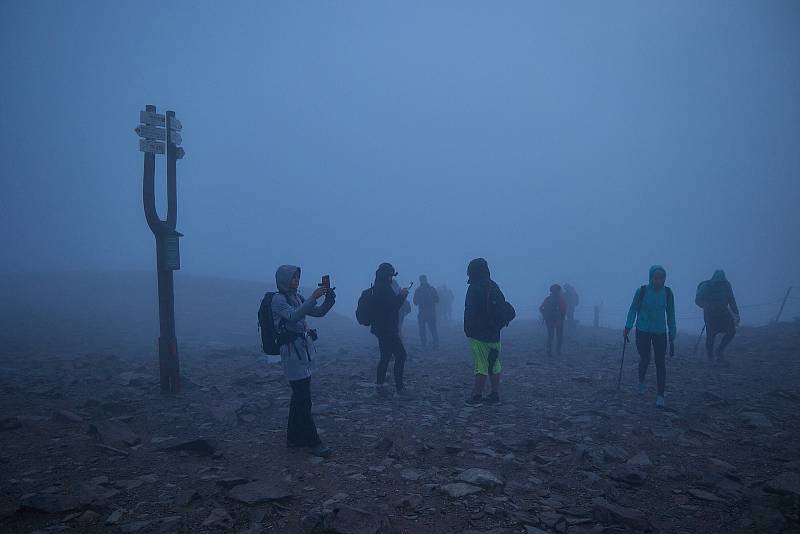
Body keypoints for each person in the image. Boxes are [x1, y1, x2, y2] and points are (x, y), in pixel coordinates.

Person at [271, 265, 336, 457]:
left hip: (302, 351)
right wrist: (313, 297)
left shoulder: (296, 297)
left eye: (297, 277)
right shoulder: (278, 299)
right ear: (283, 280)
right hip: (291, 352)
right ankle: (313, 441)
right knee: (303, 399)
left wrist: (329, 299)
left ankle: (293, 438)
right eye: (293, 278)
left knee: (298, 396)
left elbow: (317, 313)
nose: (296, 281)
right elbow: (293, 316)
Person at [464, 258, 515, 407]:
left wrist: (468, 329)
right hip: (495, 332)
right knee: (494, 363)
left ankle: (477, 396)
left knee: (480, 364)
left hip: (479, 333)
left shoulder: (474, 287)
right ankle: (494, 395)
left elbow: (470, 311)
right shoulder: (493, 286)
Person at [624, 265, 676, 407]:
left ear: (664, 278)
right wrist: (628, 326)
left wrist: (672, 331)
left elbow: (671, 313)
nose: (658, 281)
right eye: (655, 278)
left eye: (661, 278)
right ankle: (641, 381)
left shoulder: (668, 293)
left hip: (660, 332)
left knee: (660, 362)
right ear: (650, 277)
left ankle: (660, 395)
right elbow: (633, 308)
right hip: (642, 330)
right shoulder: (642, 291)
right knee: (645, 359)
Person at [371, 263, 412, 399]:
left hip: (380, 328)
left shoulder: (377, 286)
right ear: (388, 274)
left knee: (385, 356)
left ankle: (379, 387)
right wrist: (402, 295)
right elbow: (393, 306)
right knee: (401, 355)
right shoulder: (384, 288)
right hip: (388, 329)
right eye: (391, 275)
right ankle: (399, 390)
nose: (391, 278)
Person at [695, 270, 740, 363]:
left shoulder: (726, 285)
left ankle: (719, 351)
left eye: (721, 282)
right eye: (718, 282)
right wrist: (708, 306)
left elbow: (731, 299)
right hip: (710, 314)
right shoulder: (706, 286)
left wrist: (736, 313)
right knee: (710, 335)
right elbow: (698, 300)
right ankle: (710, 357)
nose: (720, 283)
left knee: (731, 331)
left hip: (723, 312)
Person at [539, 284, 567, 357]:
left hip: (549, 320)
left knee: (550, 335)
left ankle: (549, 351)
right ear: (558, 291)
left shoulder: (547, 299)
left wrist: (545, 315)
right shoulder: (560, 299)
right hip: (559, 320)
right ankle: (558, 351)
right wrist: (562, 316)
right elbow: (563, 309)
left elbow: (541, 308)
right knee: (559, 336)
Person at [413, 275, 440, 350]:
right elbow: (437, 300)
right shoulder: (432, 289)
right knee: (433, 328)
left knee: (422, 329)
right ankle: (436, 343)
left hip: (422, 313)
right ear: (426, 280)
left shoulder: (418, 290)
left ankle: (424, 343)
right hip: (431, 313)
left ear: (420, 280)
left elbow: (415, 302)